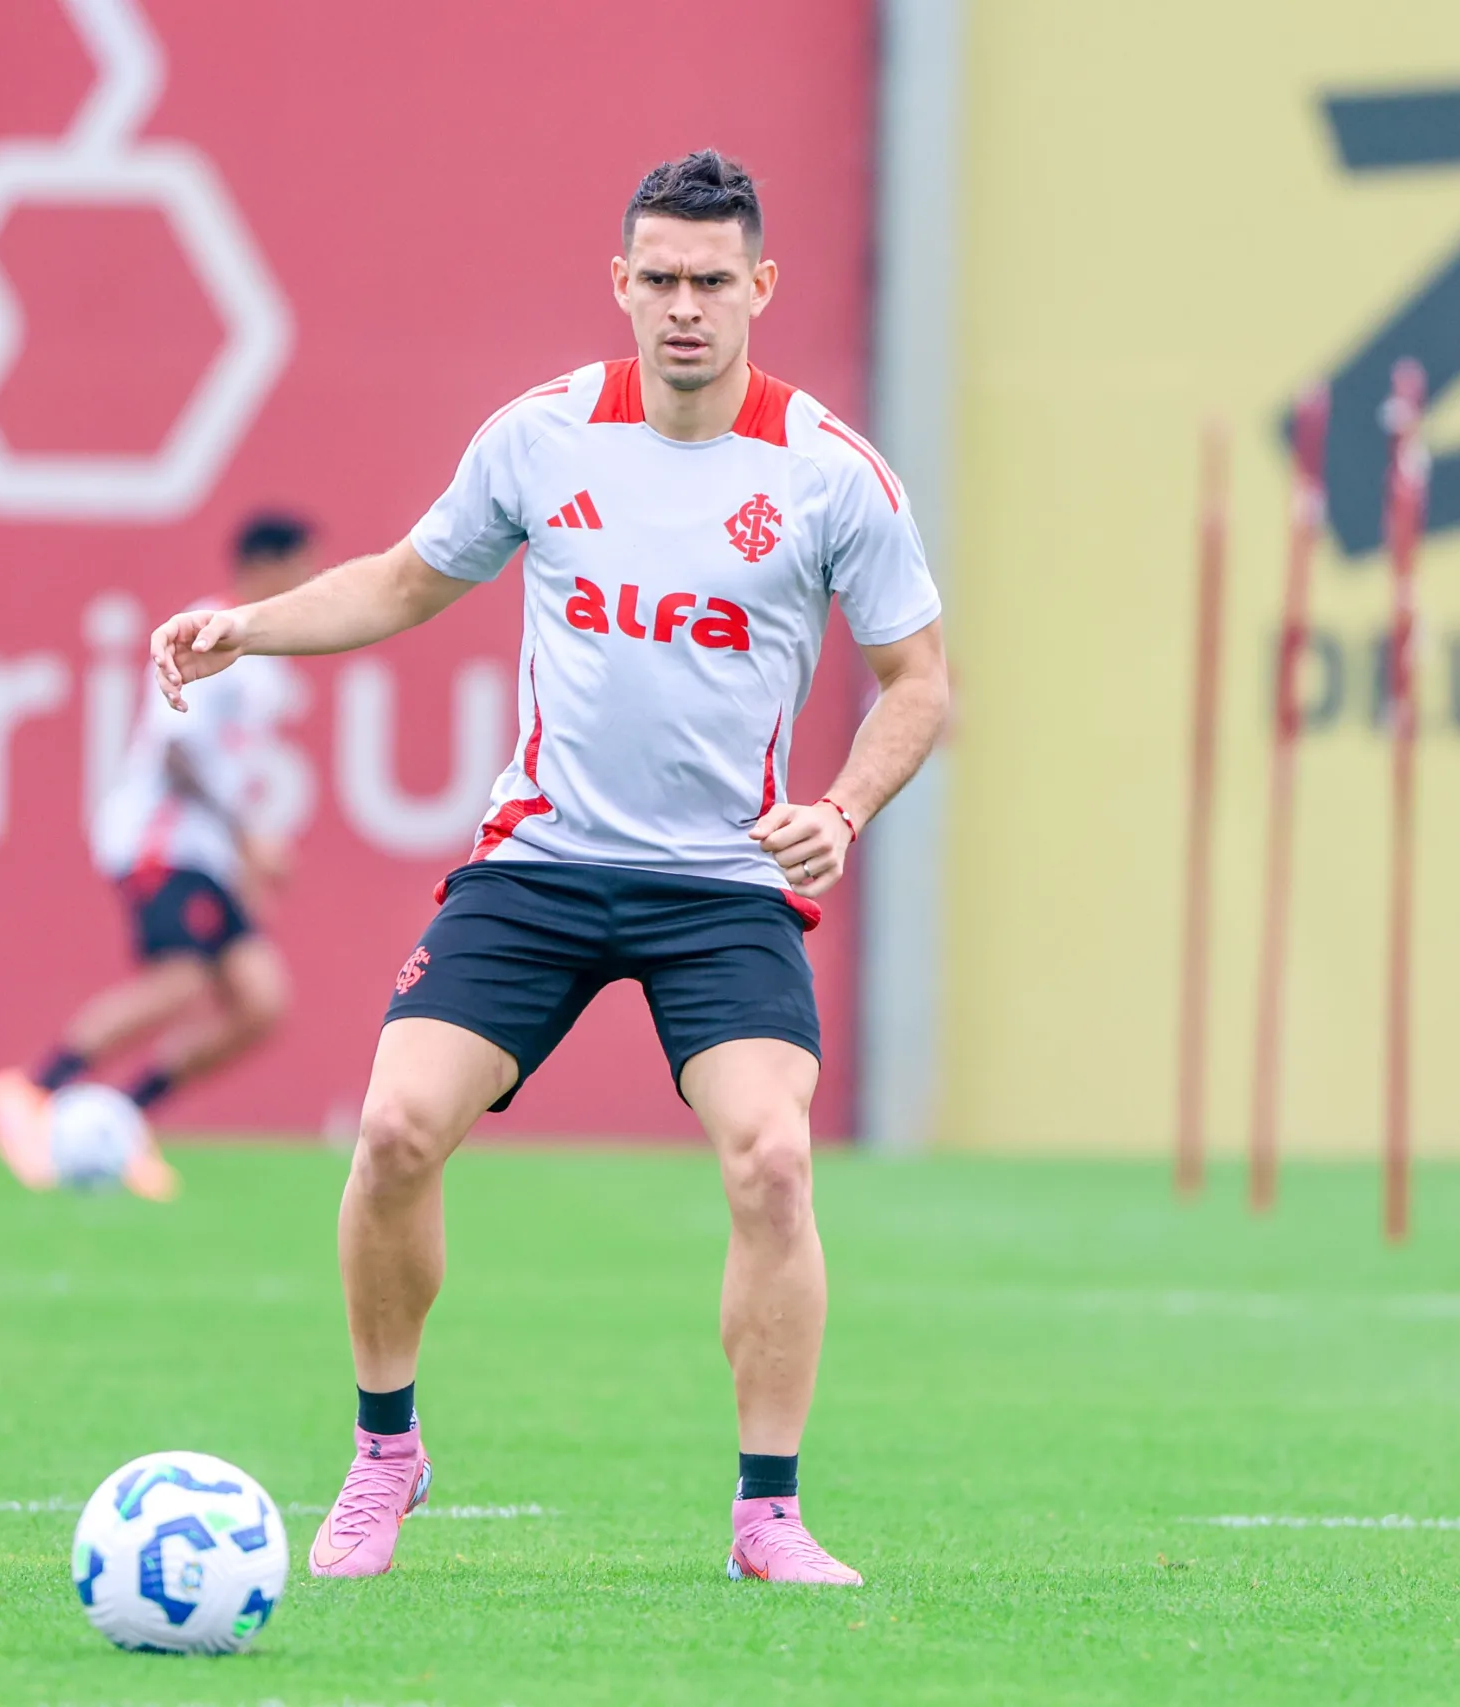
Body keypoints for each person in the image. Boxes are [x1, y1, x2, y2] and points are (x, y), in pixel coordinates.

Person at [149, 152, 950, 1584]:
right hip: (543, 864)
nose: (686, 307)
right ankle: (385, 1454)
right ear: (622, 284)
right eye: (662, 279)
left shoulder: (833, 473)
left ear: (761, 288)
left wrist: (843, 808)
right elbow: (405, 579)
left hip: (723, 884)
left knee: (773, 1160)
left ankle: (767, 1516)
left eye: (714, 281)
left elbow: (920, 680)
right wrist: (246, 627)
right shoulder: (543, 436)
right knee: (394, 1130)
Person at [0, 512, 315, 1200]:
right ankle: (31, 1090)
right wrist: (247, 837)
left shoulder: (267, 660)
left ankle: (124, 1118)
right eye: (300, 567)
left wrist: (240, 857)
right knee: (181, 980)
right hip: (162, 837)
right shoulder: (208, 630)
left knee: (260, 1002)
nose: (310, 581)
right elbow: (175, 750)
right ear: (264, 565)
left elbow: (228, 763)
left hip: (207, 850)